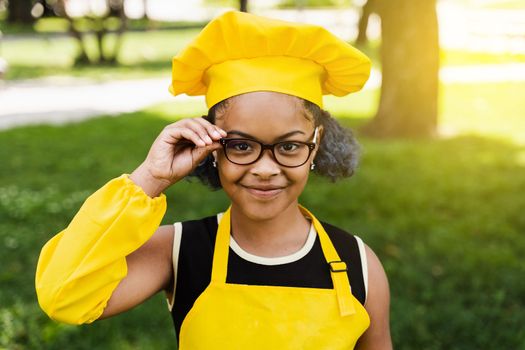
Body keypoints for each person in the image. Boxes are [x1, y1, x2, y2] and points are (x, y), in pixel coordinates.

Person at [35, 11, 392, 349]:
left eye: (288, 146)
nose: (266, 168)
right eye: (240, 145)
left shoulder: (357, 264)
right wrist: (149, 178)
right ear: (212, 147)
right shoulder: (180, 251)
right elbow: (63, 295)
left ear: (316, 145)